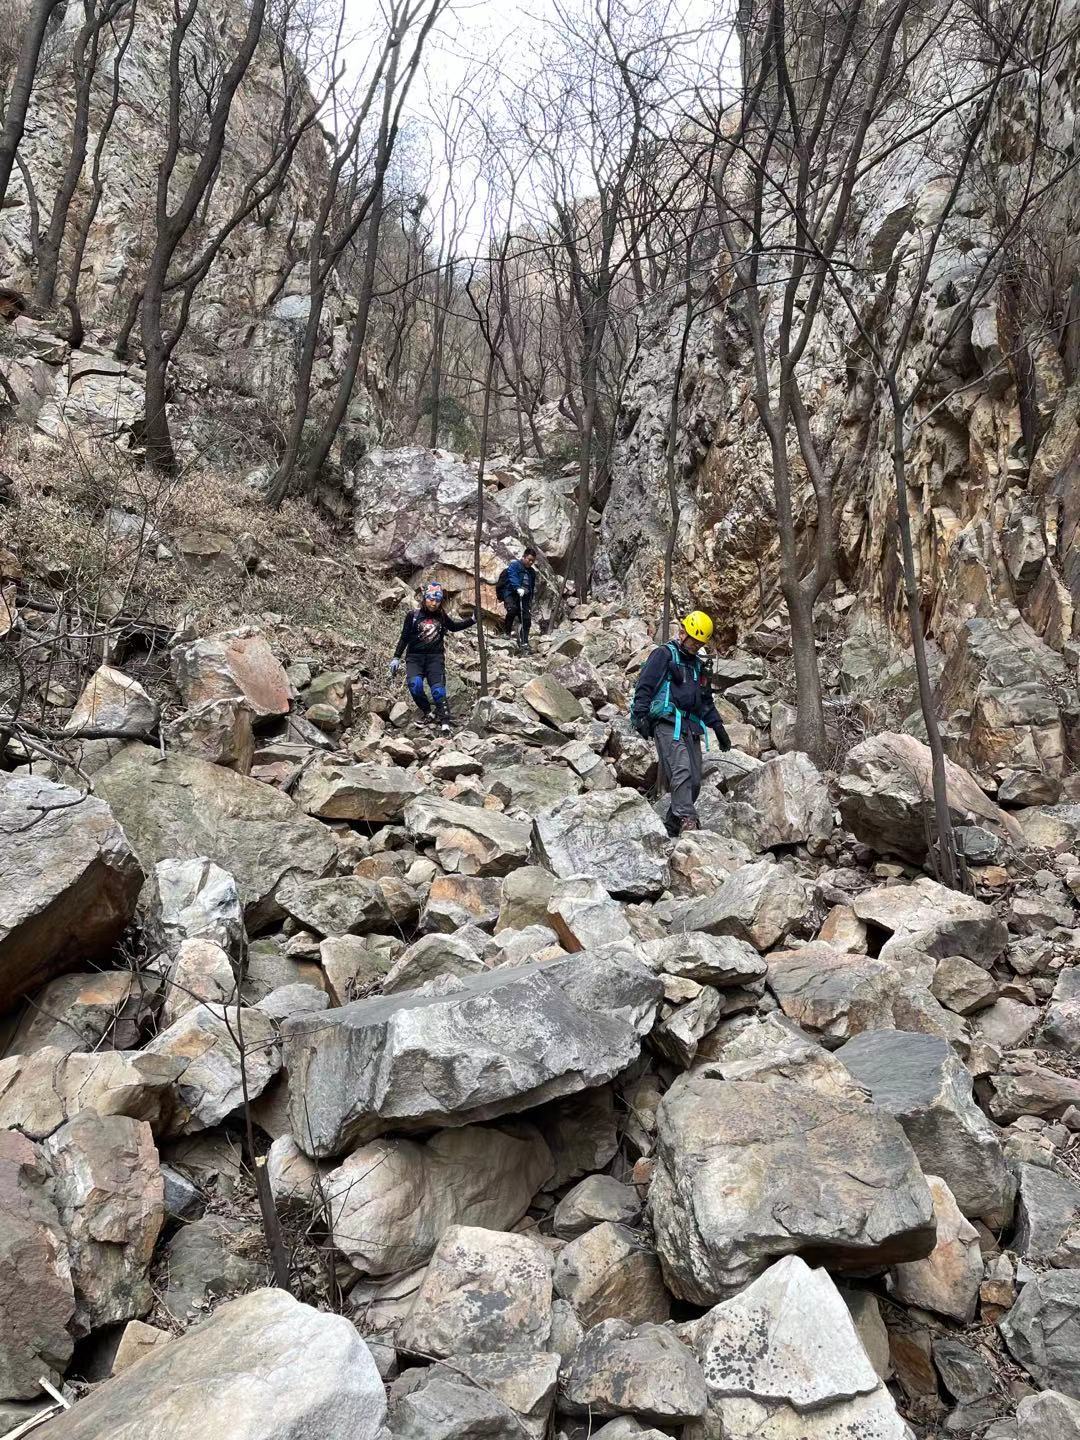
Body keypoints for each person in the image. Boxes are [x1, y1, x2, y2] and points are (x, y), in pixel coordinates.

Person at [630, 609, 731, 835]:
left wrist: (718, 727)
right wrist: (640, 715)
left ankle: (672, 824)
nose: (696, 646)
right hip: (667, 722)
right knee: (681, 770)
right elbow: (644, 685)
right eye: (694, 641)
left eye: (700, 643)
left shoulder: (697, 665)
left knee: (695, 781)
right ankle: (688, 819)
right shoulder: (664, 655)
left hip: (691, 726)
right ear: (683, 632)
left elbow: (705, 701)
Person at [390, 582, 475, 733]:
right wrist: (396, 657)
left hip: (435, 658)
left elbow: (454, 627)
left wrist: (473, 620)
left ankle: (445, 721)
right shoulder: (413, 615)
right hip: (414, 657)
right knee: (415, 685)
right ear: (424, 598)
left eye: (437, 600)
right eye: (430, 599)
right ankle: (427, 711)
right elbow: (404, 638)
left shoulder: (442, 615)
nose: (434, 603)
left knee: (438, 691)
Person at [500, 547, 537, 652]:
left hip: (524, 597)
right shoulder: (514, 565)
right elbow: (512, 577)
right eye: (529, 559)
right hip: (511, 593)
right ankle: (506, 633)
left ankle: (524, 641)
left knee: (526, 618)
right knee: (512, 610)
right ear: (524, 557)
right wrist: (517, 588)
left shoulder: (532, 572)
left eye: (532, 561)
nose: (530, 562)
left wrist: (529, 600)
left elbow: (531, 586)